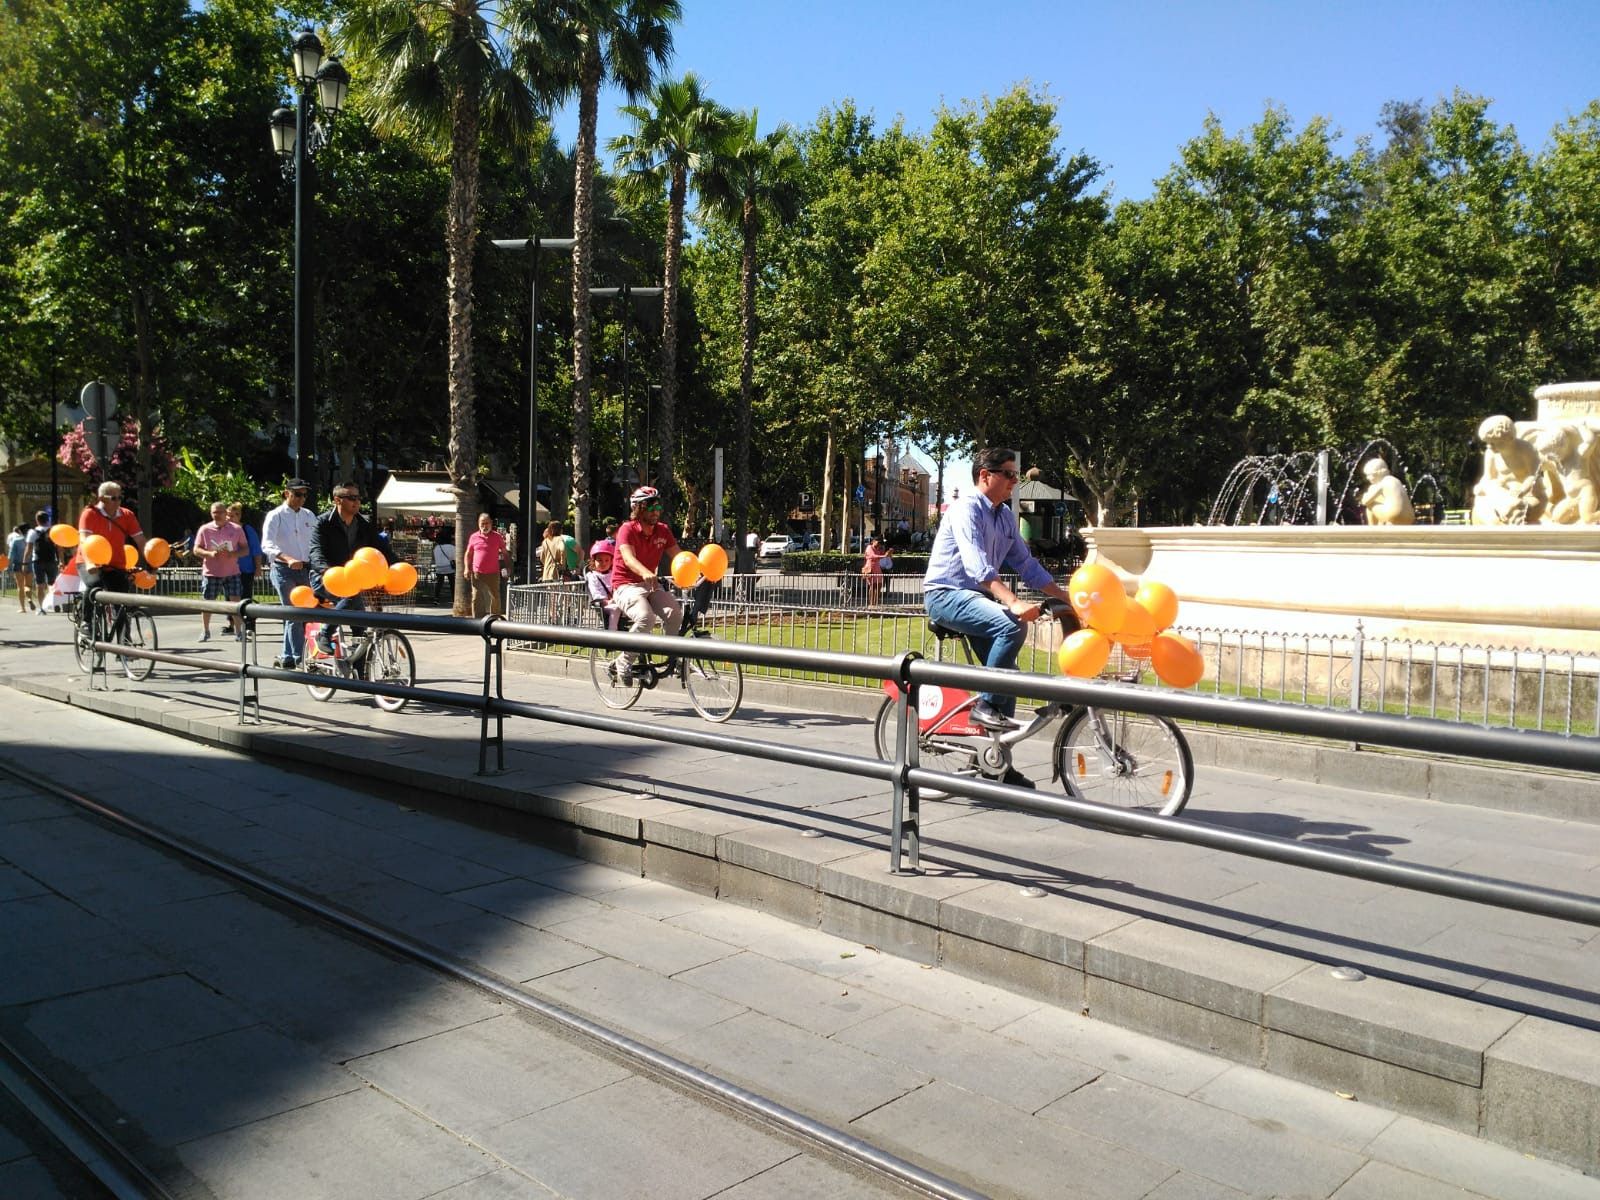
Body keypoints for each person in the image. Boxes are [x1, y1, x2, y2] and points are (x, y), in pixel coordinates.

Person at [922, 448, 1074, 787]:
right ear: (984, 476)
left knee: (1009, 676)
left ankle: (998, 764)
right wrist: (1014, 602)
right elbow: (978, 568)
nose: (1014, 481)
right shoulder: (965, 510)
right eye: (1008, 474)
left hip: (976, 598)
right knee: (1011, 623)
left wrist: (1066, 597)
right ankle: (985, 706)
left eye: (1015, 474)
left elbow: (1027, 565)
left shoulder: (1005, 517)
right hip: (945, 595)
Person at [609, 486, 683, 680]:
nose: (656, 510)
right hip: (625, 585)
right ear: (638, 509)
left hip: (650, 585)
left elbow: (679, 557)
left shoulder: (663, 531)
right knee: (646, 618)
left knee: (674, 613)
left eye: (658, 506)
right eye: (651, 507)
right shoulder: (627, 529)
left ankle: (672, 659)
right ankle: (623, 661)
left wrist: (697, 570)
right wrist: (646, 573)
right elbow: (628, 558)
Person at [310, 482, 390, 654]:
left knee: (359, 626)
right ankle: (324, 634)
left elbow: (380, 549)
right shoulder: (323, 523)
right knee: (352, 595)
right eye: (351, 498)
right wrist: (326, 570)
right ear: (337, 500)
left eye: (358, 497)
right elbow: (315, 552)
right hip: (325, 577)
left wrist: (397, 565)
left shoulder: (363, 523)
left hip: (354, 579)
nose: (357, 502)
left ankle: (358, 675)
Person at [261, 479, 318, 666]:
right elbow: (267, 544)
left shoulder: (309, 516)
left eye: (304, 495)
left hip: (305, 569)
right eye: (298, 494)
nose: (302, 499)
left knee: (297, 614)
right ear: (287, 494)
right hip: (283, 569)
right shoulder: (275, 515)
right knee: (295, 613)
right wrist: (288, 558)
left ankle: (286, 656)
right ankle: (298, 657)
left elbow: (316, 542)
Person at [77, 480, 146, 599]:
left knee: (122, 594)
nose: (118, 501)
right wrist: (89, 563)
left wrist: (151, 563)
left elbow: (140, 540)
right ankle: (86, 617)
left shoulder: (127, 515)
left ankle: (121, 618)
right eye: (113, 498)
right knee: (95, 585)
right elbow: (84, 540)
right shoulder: (90, 514)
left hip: (115, 563)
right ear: (102, 499)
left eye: (120, 497)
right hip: (88, 560)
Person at [194, 501, 245, 641]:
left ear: (225, 513)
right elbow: (196, 549)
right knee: (208, 602)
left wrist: (234, 554)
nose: (217, 515)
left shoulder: (236, 529)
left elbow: (245, 549)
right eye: (214, 512)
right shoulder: (205, 529)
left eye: (220, 512)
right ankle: (205, 630)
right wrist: (209, 554)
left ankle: (239, 632)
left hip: (232, 572)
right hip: (211, 572)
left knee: (235, 602)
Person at [463, 512, 509, 617]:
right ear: (478, 524)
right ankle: (478, 621)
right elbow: (468, 553)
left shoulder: (497, 537)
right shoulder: (473, 537)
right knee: (476, 597)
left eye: (486, 523)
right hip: (477, 573)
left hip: (493, 572)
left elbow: (505, 553)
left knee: (495, 597)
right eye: (482, 523)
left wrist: (507, 567)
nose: (484, 526)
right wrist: (466, 568)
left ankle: (494, 619)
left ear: (491, 523)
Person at [228, 502, 263, 602]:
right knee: (229, 598)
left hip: (246, 570)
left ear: (240, 516)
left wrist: (258, 568)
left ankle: (246, 617)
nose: (231, 518)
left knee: (245, 597)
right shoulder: (223, 530)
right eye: (229, 515)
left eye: (235, 515)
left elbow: (256, 550)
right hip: (228, 570)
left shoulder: (247, 530)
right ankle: (232, 617)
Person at [26, 510, 58, 614]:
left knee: (40, 584)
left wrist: (24, 562)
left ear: (37, 520)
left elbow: (29, 548)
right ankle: (54, 604)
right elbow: (60, 547)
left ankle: (42, 608)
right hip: (51, 560)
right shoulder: (52, 531)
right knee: (52, 584)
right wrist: (61, 560)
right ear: (47, 520)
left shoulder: (33, 532)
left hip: (38, 561)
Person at [585, 540, 619, 629]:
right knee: (615, 609)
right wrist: (607, 601)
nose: (603, 563)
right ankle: (612, 636)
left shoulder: (614, 573)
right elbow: (596, 594)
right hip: (603, 605)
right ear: (593, 561)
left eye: (607, 560)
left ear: (611, 561)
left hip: (618, 601)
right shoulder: (592, 576)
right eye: (600, 560)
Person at [7, 523, 31, 612]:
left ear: (19, 531)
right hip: (29, 565)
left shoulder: (16, 540)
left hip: (18, 565)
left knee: (20, 587)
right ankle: (29, 599)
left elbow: (11, 556)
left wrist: (9, 568)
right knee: (28, 585)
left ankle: (23, 608)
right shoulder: (32, 540)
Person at [431, 529, 457, 603]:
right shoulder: (452, 547)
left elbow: (435, 558)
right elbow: (454, 557)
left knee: (439, 583)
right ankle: (453, 599)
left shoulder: (436, 548)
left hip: (439, 567)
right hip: (449, 567)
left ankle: (436, 599)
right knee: (452, 583)